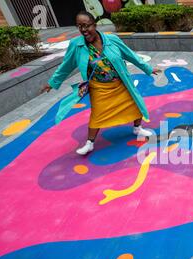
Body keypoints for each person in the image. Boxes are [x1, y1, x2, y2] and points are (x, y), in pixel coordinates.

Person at [41, 11, 161, 155]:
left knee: (134, 104)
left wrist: (147, 68)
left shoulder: (112, 40)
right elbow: (65, 66)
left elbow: (130, 55)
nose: (83, 30)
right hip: (99, 88)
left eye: (86, 25)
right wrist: (53, 82)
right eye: (80, 26)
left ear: (95, 25)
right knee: (97, 114)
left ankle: (137, 128)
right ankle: (89, 143)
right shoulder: (76, 45)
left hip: (120, 84)